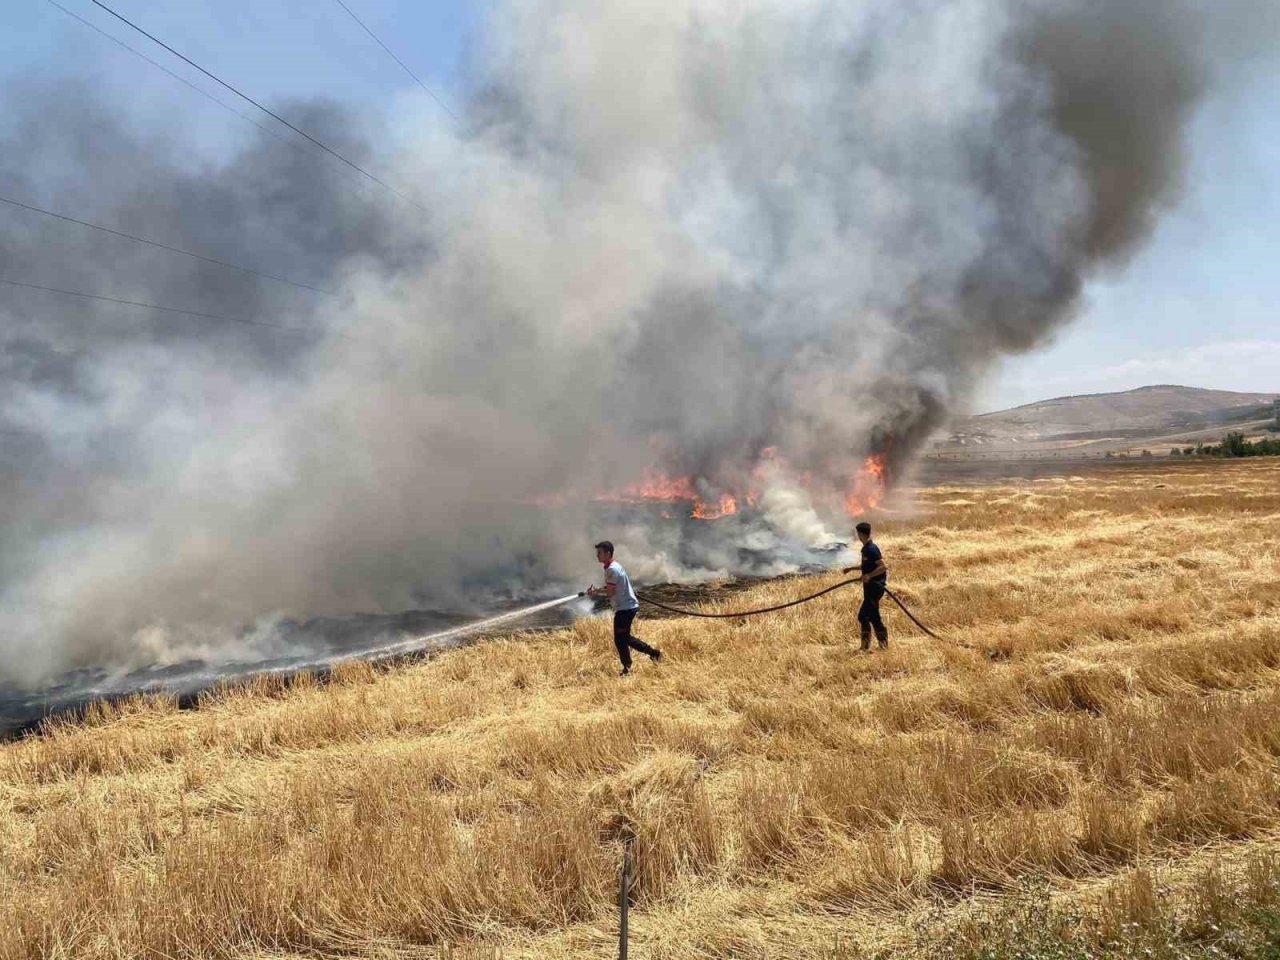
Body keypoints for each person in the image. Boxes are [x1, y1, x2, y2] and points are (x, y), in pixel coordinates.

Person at [587, 540, 662, 675]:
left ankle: (635, 664)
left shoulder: (612, 569)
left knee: (621, 639)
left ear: (607, 553)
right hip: (627, 606)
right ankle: (648, 657)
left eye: (600, 553)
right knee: (623, 638)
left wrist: (596, 592)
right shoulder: (613, 566)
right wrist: (598, 589)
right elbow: (612, 586)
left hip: (625, 608)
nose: (597, 555)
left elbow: (610, 592)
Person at [846, 521, 888, 651]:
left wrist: (869, 576)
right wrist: (852, 569)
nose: (857, 535)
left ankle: (872, 646)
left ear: (861, 534)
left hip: (875, 588)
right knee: (872, 616)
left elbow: (883, 567)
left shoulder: (871, 549)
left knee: (864, 616)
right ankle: (877, 645)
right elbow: (867, 566)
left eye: (857, 533)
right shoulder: (865, 548)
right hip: (869, 589)